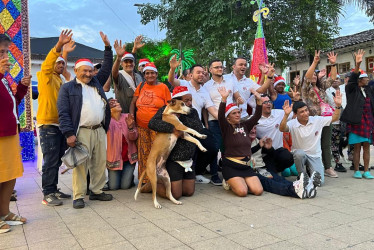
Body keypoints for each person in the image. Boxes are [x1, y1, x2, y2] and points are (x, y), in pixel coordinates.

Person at [57, 31, 113, 209]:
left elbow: (107, 67)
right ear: (76, 71)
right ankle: (79, 195)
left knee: (99, 162)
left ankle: (96, 191)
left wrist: (107, 47)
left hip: (99, 129)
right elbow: (63, 113)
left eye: (90, 71)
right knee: (80, 164)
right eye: (85, 71)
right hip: (81, 131)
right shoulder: (67, 88)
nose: (88, 74)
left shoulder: (96, 82)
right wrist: (68, 134)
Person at [36, 29, 74, 206]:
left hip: (59, 126)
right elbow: (50, 62)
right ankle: (47, 193)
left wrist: (64, 54)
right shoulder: (46, 76)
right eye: (58, 64)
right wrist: (59, 46)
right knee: (50, 160)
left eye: (63, 64)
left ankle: (54, 189)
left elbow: (60, 65)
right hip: (48, 125)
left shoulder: (59, 80)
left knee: (57, 160)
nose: (60, 66)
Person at [148, 86, 203, 199]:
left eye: (190, 100)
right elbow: (152, 123)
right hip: (173, 158)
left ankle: (174, 182)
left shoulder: (192, 112)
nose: (189, 103)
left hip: (188, 158)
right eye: (186, 101)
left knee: (188, 192)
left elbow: (199, 128)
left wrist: (181, 120)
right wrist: (173, 128)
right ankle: (151, 186)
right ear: (177, 101)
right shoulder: (166, 109)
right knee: (176, 194)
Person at [168, 59, 218, 184]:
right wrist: (173, 68)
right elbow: (171, 80)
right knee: (190, 150)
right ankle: (184, 175)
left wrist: (226, 118)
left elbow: (212, 109)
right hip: (181, 126)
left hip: (197, 126)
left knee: (212, 147)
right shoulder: (184, 84)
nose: (201, 75)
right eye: (198, 72)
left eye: (202, 73)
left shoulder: (204, 91)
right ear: (191, 75)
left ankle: (198, 172)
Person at [0, 33, 31, 233]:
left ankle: (4, 212)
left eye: (6, 51)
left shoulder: (3, 79)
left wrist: (21, 88)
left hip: (9, 132)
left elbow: (11, 105)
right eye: (1, 51)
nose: (5, 56)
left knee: (10, 174)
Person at [280, 89, 343, 185]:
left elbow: (334, 118)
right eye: (301, 112)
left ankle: (310, 172)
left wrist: (338, 106)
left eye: (306, 110)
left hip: (315, 156)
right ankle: (301, 176)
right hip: (300, 155)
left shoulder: (316, 120)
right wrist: (286, 115)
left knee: (319, 183)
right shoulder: (293, 123)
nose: (305, 113)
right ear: (295, 114)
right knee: (299, 154)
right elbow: (282, 128)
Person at [217, 86, 264, 196]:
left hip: (246, 166)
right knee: (242, 192)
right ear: (228, 118)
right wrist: (223, 99)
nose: (238, 115)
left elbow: (257, 116)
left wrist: (259, 100)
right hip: (231, 166)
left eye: (238, 112)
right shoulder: (226, 128)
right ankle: (229, 181)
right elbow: (220, 117)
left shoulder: (245, 125)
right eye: (234, 113)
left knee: (258, 191)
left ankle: (241, 181)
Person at [203, 59, 244, 185]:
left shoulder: (231, 82)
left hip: (229, 121)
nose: (220, 69)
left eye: (221, 67)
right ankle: (215, 175)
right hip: (214, 121)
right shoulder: (206, 86)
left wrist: (240, 100)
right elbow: (205, 108)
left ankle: (229, 173)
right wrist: (206, 123)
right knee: (215, 148)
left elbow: (237, 97)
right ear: (210, 70)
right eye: (216, 67)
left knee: (229, 147)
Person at [129, 62, 171, 184]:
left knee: (157, 155)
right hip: (141, 127)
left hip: (157, 128)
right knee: (143, 154)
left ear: (156, 74)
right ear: (144, 75)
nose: (150, 75)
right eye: (147, 73)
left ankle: (158, 181)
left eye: (152, 73)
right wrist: (132, 115)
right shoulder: (141, 86)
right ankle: (145, 181)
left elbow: (169, 107)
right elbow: (133, 102)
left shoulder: (163, 87)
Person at [302, 50, 339, 178]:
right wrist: (315, 62)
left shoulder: (321, 87)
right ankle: (310, 167)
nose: (313, 76)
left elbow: (332, 78)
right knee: (312, 144)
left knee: (326, 143)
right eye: (312, 74)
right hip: (312, 120)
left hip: (325, 118)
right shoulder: (306, 89)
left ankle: (328, 167)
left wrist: (333, 64)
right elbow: (307, 77)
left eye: (315, 75)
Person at [341, 49, 374, 179]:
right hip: (356, 122)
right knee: (357, 147)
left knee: (366, 146)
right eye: (365, 77)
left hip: (368, 122)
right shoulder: (351, 90)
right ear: (360, 79)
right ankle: (356, 170)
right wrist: (358, 65)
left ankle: (366, 170)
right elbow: (352, 79)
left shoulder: (369, 90)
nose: (367, 79)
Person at [255, 92, 300, 174]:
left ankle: (275, 170)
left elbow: (295, 115)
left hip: (278, 151)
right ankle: (270, 171)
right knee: (270, 177)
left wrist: (296, 101)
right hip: (264, 153)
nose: (268, 104)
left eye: (269, 102)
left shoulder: (279, 113)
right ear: (259, 104)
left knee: (288, 157)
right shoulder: (254, 118)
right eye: (265, 102)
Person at [106, 99, 138, 190]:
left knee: (125, 186)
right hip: (114, 160)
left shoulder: (127, 117)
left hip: (128, 160)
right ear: (109, 109)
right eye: (115, 104)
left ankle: (129, 178)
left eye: (118, 102)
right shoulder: (107, 121)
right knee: (113, 187)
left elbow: (134, 137)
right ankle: (115, 177)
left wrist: (131, 127)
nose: (118, 103)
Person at [111, 39, 144, 113]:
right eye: (126, 62)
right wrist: (119, 58)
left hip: (139, 115)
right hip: (124, 116)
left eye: (131, 61)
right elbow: (114, 72)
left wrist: (135, 49)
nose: (129, 64)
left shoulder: (138, 76)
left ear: (134, 63)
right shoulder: (120, 75)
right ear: (121, 64)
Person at [325, 74, 347, 172]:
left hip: (345, 120)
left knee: (344, 141)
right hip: (333, 121)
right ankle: (337, 162)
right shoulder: (327, 91)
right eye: (333, 79)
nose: (335, 81)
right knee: (334, 142)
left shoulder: (344, 90)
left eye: (337, 79)